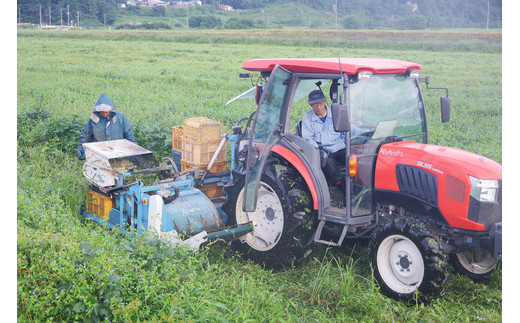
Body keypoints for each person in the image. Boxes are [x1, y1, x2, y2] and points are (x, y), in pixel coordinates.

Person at [301, 89, 346, 192]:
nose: (318, 107)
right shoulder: (308, 117)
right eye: (314, 104)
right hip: (323, 150)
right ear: (310, 105)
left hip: (339, 147)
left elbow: (350, 129)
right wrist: (318, 149)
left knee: (353, 156)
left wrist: (371, 133)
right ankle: (340, 185)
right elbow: (308, 138)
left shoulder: (336, 114)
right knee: (326, 160)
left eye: (320, 103)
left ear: (325, 101)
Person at [77, 93, 136, 159]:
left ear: (110, 110)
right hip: (99, 154)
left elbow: (129, 135)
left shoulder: (120, 119)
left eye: (106, 111)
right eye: (101, 111)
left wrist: (133, 148)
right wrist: (82, 148)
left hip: (118, 153)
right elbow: (86, 135)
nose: (104, 113)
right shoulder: (93, 119)